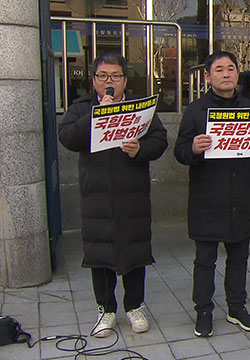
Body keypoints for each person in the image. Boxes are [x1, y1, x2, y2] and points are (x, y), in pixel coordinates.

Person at [58, 53, 168, 337]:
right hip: (95, 193)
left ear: (125, 80)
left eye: (116, 76)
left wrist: (140, 150)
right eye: (103, 76)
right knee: (100, 252)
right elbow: (68, 137)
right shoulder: (82, 107)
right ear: (94, 80)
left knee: (135, 249)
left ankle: (135, 305)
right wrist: (98, 115)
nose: (110, 82)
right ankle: (106, 310)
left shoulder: (138, 107)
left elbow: (159, 140)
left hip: (132, 192)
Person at [174, 51, 250, 337]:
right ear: (208, 76)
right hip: (208, 198)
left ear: (237, 74)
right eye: (219, 69)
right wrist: (194, 148)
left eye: (231, 69)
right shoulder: (196, 110)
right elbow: (180, 151)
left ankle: (236, 307)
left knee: (239, 258)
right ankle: (204, 310)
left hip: (241, 196)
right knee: (205, 260)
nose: (226, 74)